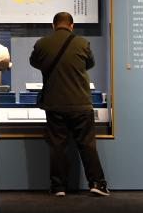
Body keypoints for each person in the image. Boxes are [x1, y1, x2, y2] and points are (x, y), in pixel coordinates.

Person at [29, 11, 109, 197]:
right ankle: (97, 183)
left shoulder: (42, 43)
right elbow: (89, 64)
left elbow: (35, 62)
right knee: (87, 145)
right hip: (80, 103)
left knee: (57, 146)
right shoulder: (82, 43)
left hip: (54, 103)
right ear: (72, 26)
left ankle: (58, 187)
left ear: (53, 25)